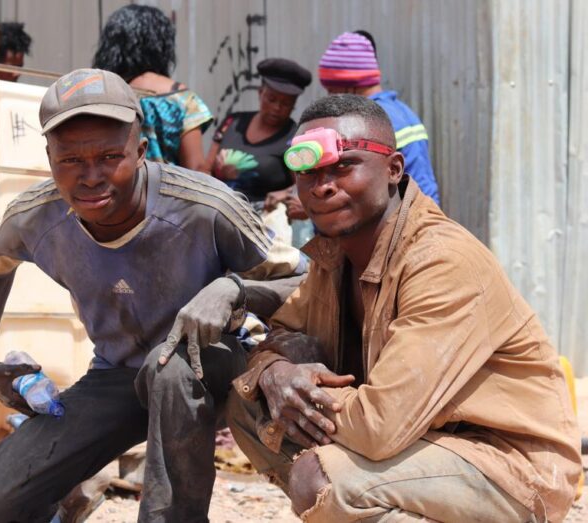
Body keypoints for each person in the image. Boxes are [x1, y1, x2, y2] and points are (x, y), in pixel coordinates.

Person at [0, 68, 307, 523]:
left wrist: (232, 288)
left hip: (211, 367)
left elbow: (305, 278)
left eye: (109, 156)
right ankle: (71, 498)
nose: (90, 176)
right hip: (116, 375)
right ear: (49, 159)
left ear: (140, 150)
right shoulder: (36, 216)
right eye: (70, 160)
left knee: (169, 369)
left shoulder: (205, 206)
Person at [226, 95, 581, 522]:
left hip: (507, 466)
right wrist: (276, 373)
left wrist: (302, 390)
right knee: (252, 405)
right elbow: (282, 330)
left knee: (321, 478)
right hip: (423, 447)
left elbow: (380, 427)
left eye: (343, 166)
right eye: (309, 172)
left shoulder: (441, 261)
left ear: (394, 169)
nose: (323, 185)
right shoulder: (336, 254)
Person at [319, 30, 440, 204]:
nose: (329, 96)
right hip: (424, 210)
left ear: (349, 86)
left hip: (401, 219)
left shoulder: (367, 121)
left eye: (332, 89)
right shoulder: (403, 111)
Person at [93, 4, 212, 172]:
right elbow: (197, 170)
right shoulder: (181, 98)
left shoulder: (102, 95)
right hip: (168, 196)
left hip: (114, 195)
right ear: (162, 46)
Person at [205, 58, 311, 209]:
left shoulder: (295, 138)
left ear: (294, 104)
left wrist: (284, 193)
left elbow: (304, 184)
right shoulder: (232, 122)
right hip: (219, 211)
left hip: (265, 222)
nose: (277, 107)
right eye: (271, 99)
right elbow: (205, 169)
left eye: (286, 103)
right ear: (260, 93)